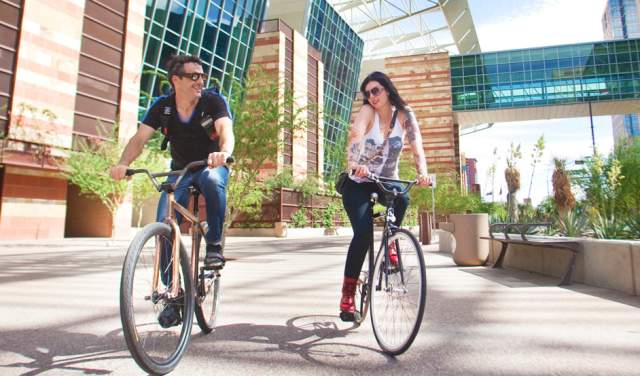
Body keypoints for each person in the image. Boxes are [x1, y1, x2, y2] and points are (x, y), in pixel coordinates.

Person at [110, 54, 234, 269]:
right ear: (176, 80)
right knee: (164, 222)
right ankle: (171, 294)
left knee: (212, 179)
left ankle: (214, 246)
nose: (201, 81)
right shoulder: (163, 107)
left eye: (203, 76)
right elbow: (139, 139)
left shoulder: (212, 101)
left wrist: (223, 153)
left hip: (211, 164)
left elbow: (226, 130)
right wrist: (123, 163)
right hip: (180, 172)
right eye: (194, 76)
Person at [339, 71, 431, 322]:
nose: (371, 96)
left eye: (376, 90)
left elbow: (417, 146)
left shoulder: (405, 115)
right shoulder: (367, 112)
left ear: (388, 90)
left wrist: (423, 173)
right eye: (367, 93)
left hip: (386, 181)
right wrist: (356, 162)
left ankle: (390, 240)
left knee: (402, 198)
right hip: (358, 181)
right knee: (362, 233)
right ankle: (348, 294)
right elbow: (355, 135)